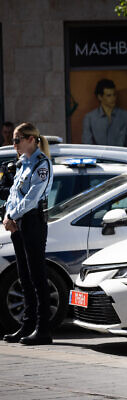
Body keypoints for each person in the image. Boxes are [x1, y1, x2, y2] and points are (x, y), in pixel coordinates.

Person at [2, 122, 53, 345]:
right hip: (18, 223)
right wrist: (7, 214)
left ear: (31, 140)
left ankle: (43, 329)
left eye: (17, 140)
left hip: (32, 222)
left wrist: (12, 215)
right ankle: (27, 325)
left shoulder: (41, 164)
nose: (13, 144)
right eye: (13, 140)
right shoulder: (22, 164)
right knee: (24, 276)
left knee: (36, 276)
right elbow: (13, 194)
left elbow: (32, 198)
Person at [82, 79, 127, 147]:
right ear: (100, 97)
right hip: (98, 156)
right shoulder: (89, 118)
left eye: (114, 95)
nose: (113, 98)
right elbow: (87, 145)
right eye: (109, 95)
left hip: (121, 156)